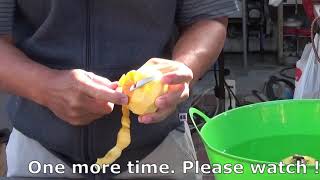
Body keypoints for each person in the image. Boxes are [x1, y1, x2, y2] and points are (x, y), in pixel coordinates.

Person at [0, 0, 238, 179]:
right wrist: (44, 87)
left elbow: (208, 17)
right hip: (40, 151)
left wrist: (184, 68)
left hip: (158, 149)